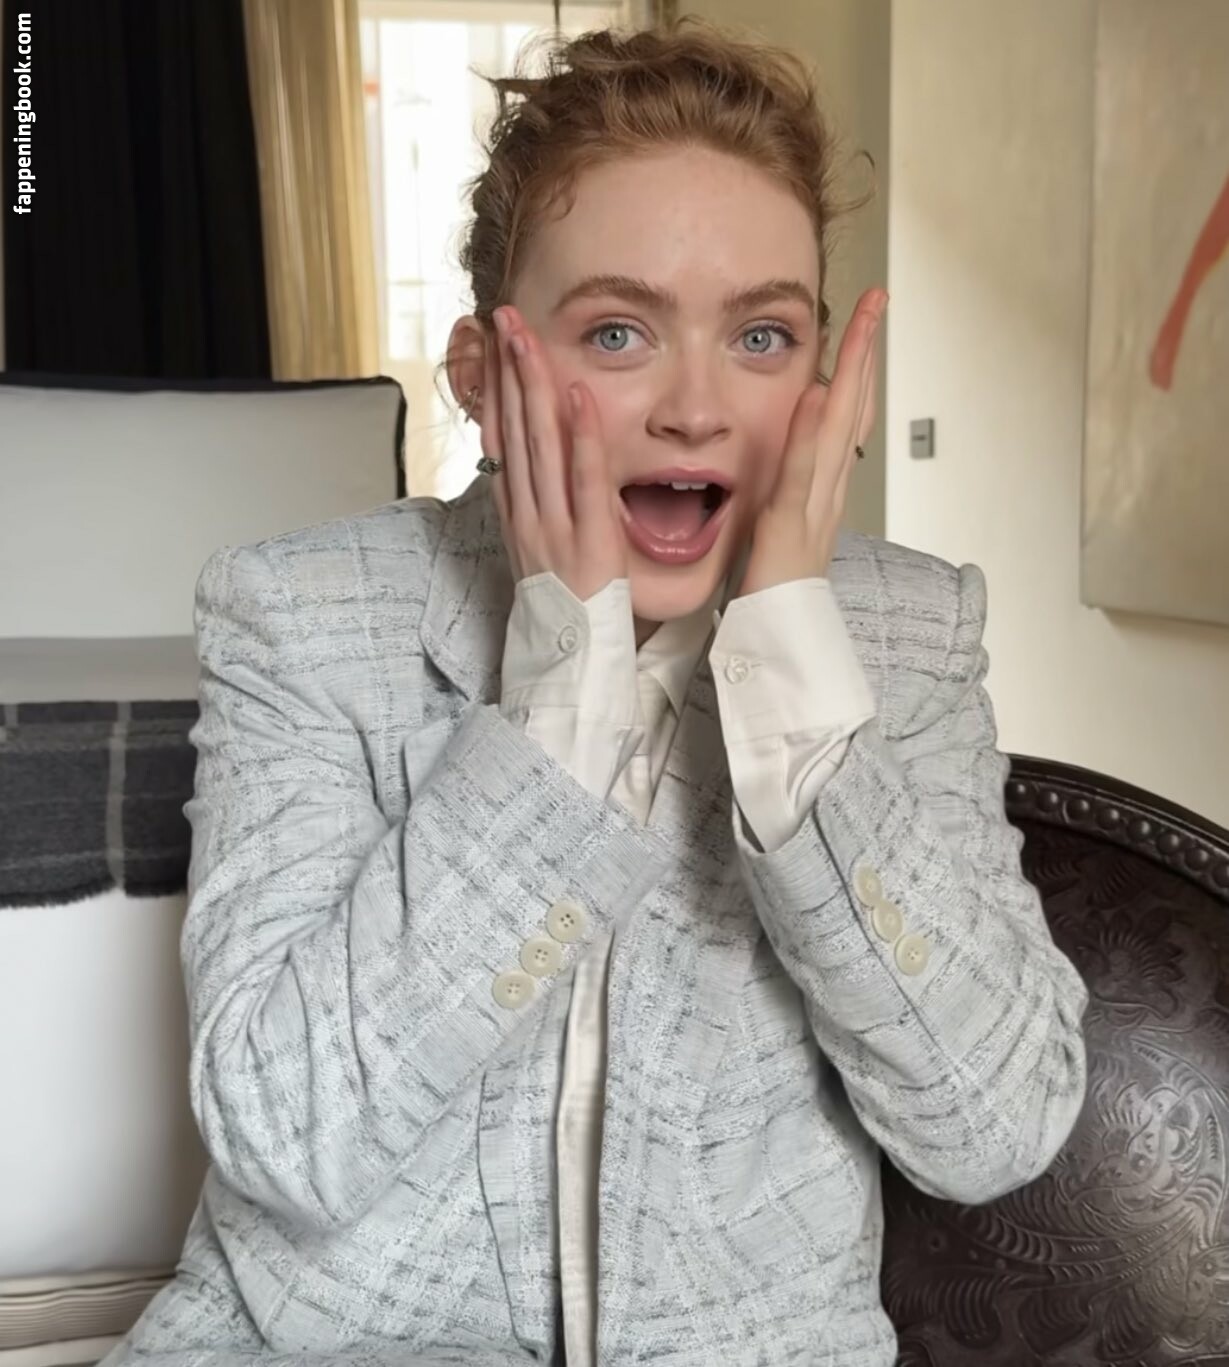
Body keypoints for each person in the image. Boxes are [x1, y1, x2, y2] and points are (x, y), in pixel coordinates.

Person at [103, 17, 1089, 1367]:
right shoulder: (301, 615)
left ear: (823, 383)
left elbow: (995, 1129)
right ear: (480, 376)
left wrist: (796, 680)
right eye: (619, 331)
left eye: (761, 335)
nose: (696, 408)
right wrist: (561, 704)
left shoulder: (911, 636)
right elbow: (288, 1132)